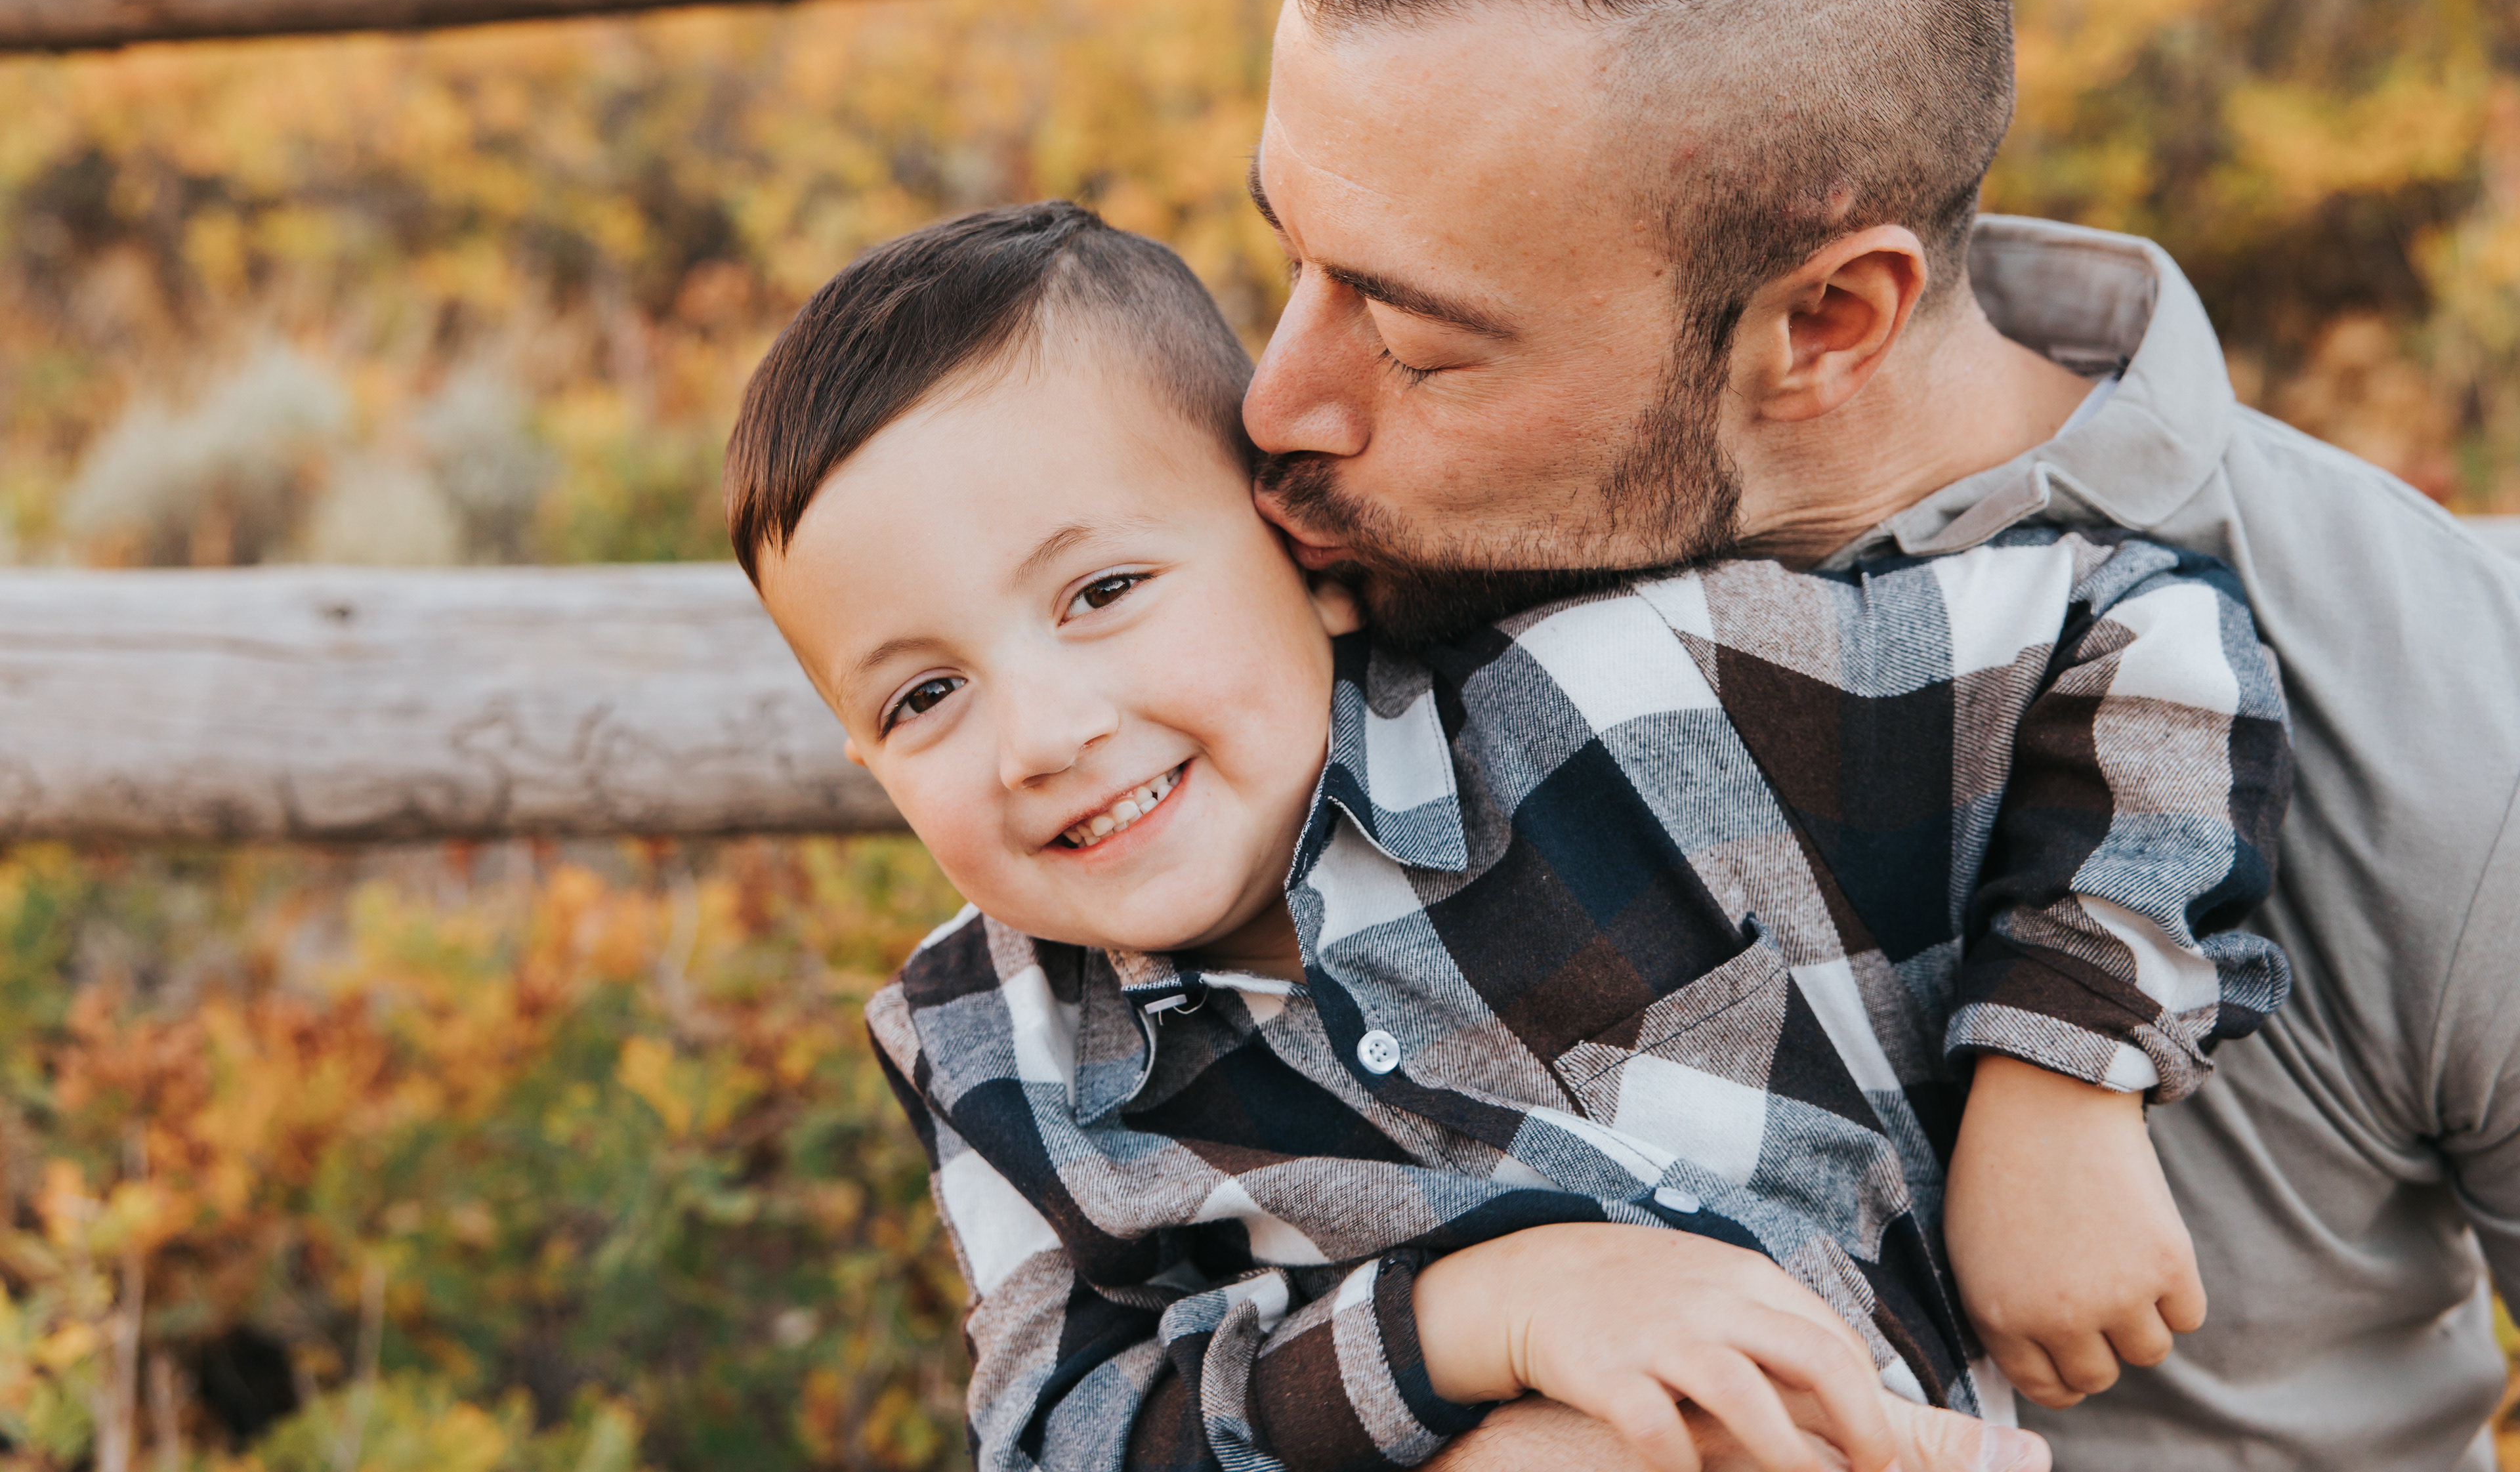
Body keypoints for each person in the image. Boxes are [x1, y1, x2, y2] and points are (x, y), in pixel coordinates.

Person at [1241, 0, 2520, 1467]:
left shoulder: (2444, 708)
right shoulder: (1317, 585)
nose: (1277, 403)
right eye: (1290, 256)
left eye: (1416, 339)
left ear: (1831, 320)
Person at [721, 200, 2291, 1472]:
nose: (1041, 735)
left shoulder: (1618, 698)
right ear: (867, 753)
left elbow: (2136, 635)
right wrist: (1478, 1317)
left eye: (1104, 591)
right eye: (924, 694)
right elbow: (1064, 1432)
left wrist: (2063, 1076)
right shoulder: (987, 1046)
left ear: (1302, 549)